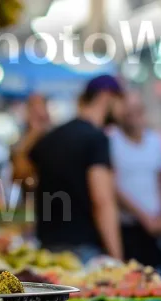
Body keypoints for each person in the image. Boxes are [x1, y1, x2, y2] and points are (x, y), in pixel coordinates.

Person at [28, 75, 124, 263]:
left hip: (47, 249)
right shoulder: (96, 139)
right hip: (83, 250)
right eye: (120, 101)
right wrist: (117, 259)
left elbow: (23, 175)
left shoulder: (51, 137)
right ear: (106, 97)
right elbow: (103, 201)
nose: (122, 110)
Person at [111, 92, 161, 268]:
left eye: (137, 110)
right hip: (128, 226)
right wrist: (144, 218)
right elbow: (114, 188)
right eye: (128, 112)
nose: (133, 117)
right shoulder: (112, 140)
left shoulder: (155, 140)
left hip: (155, 227)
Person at [12, 94, 51, 187]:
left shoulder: (55, 139)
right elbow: (18, 176)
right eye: (32, 108)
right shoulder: (21, 140)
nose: (37, 112)